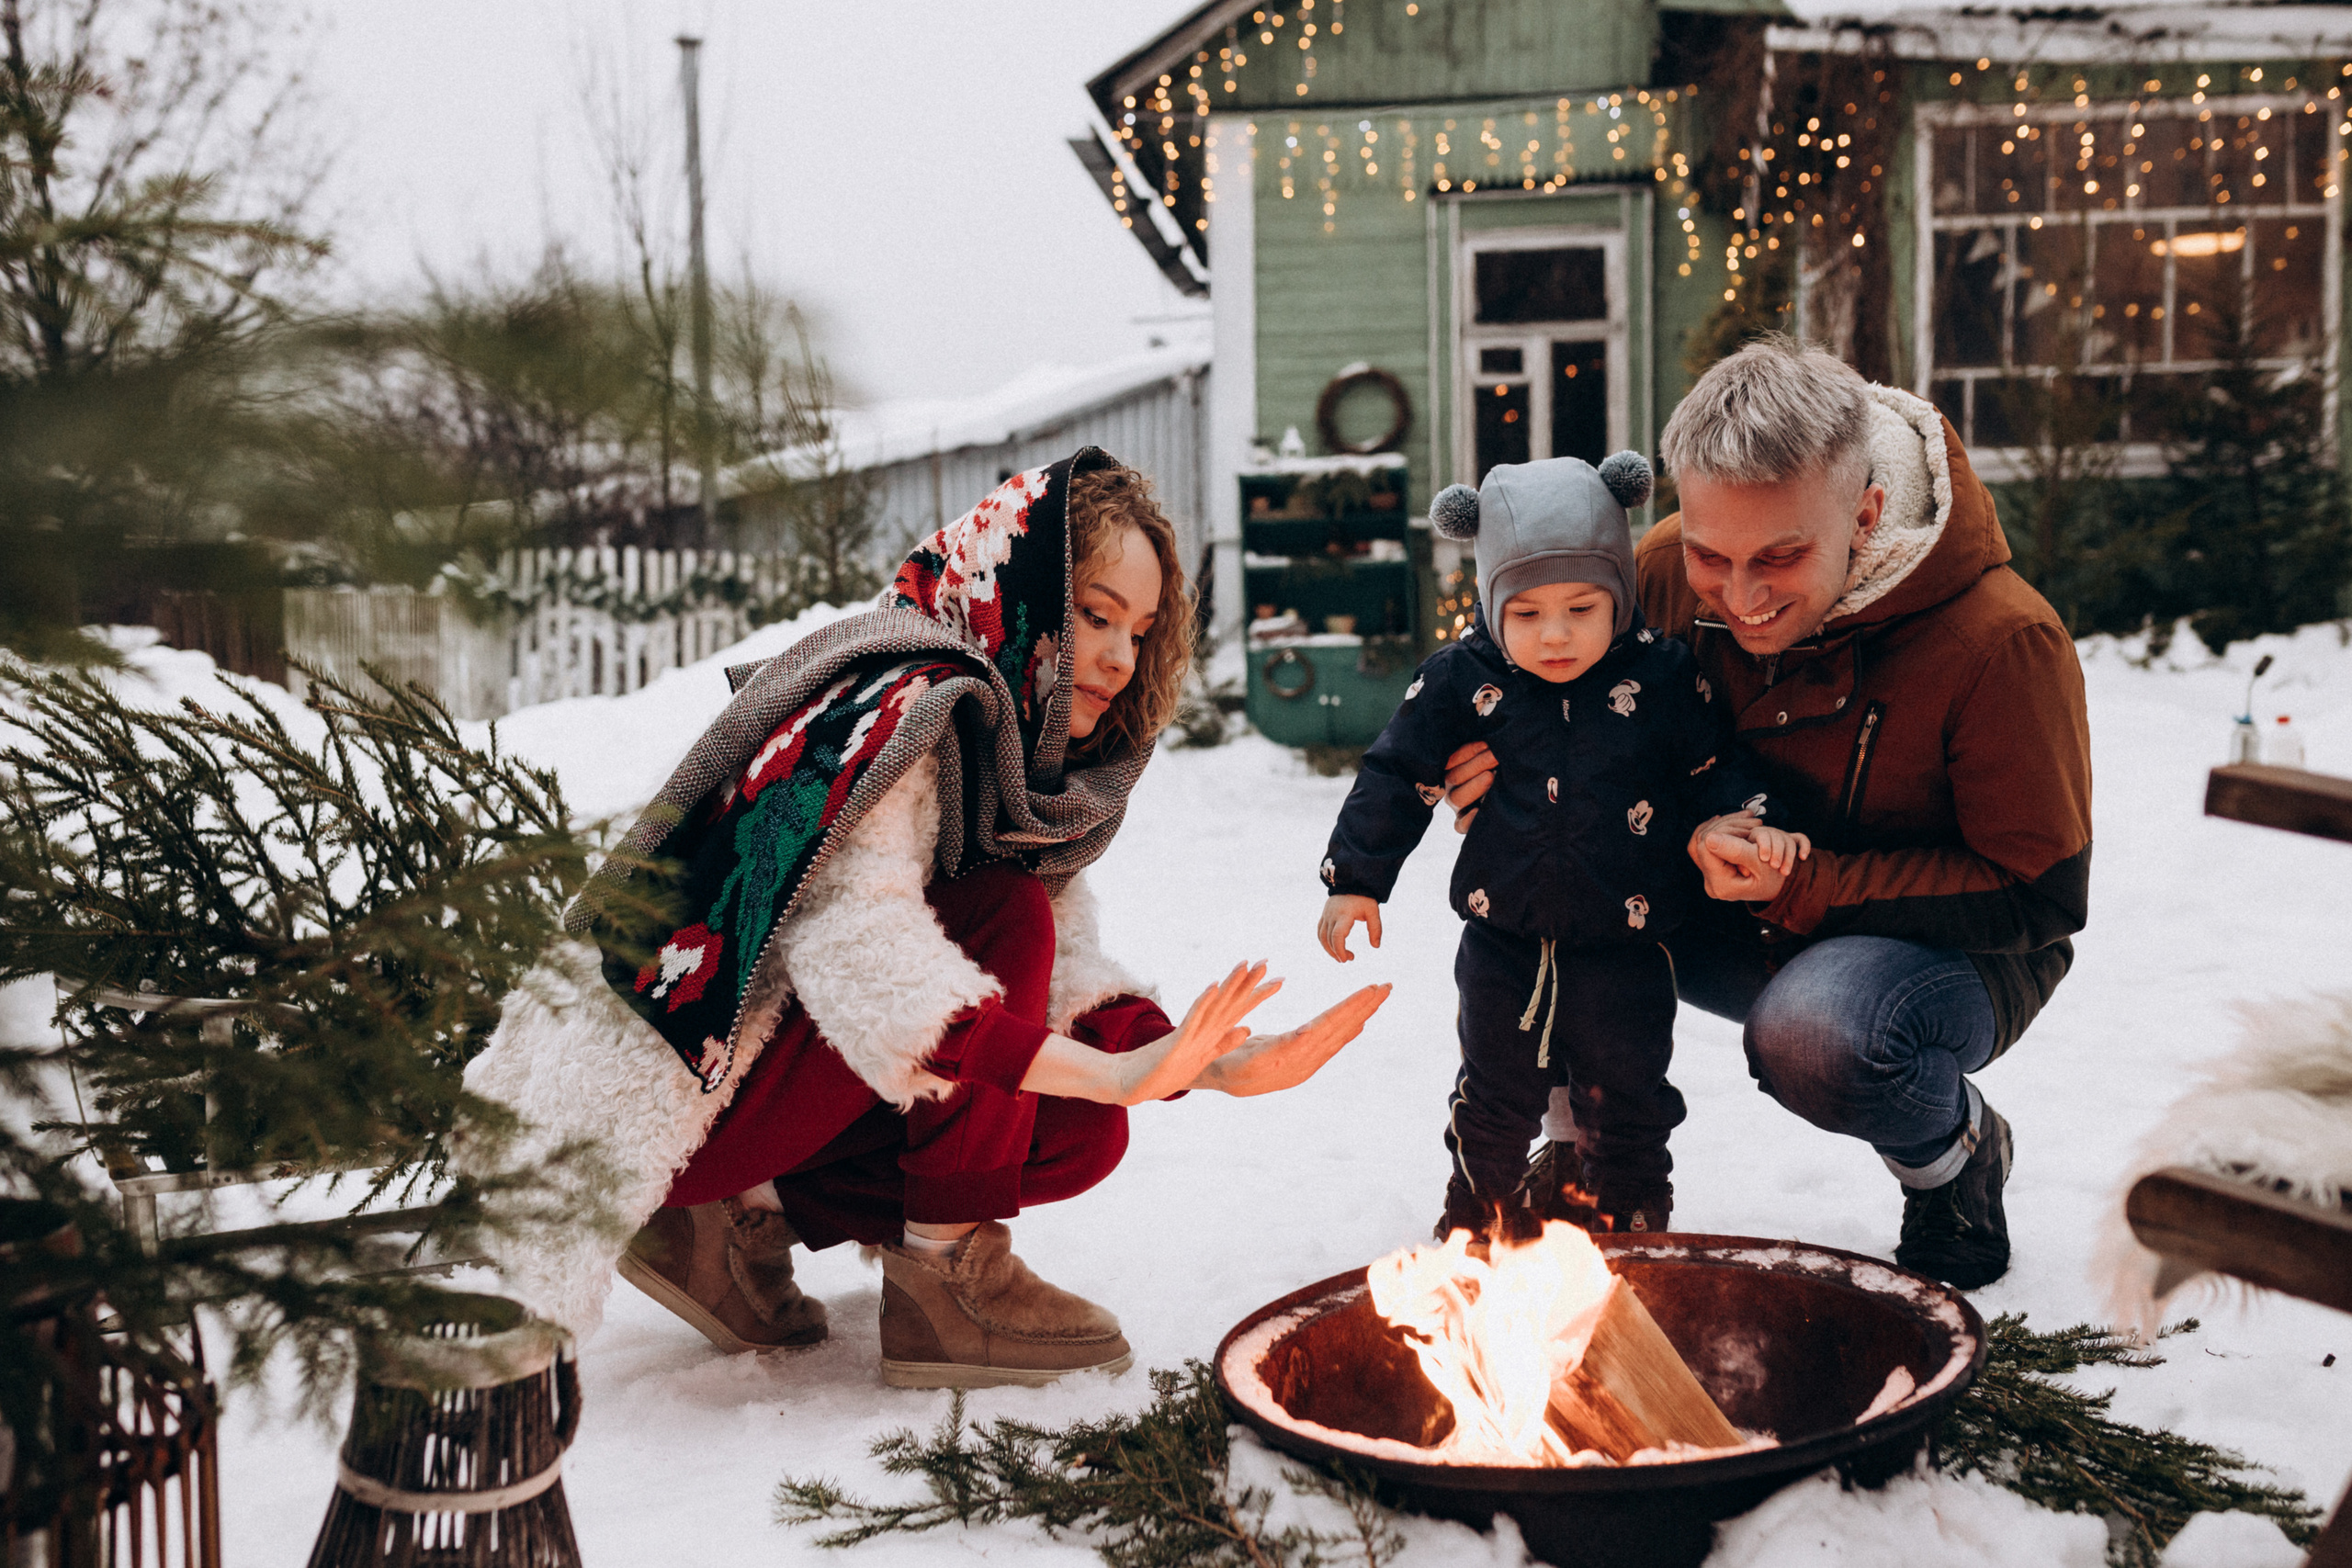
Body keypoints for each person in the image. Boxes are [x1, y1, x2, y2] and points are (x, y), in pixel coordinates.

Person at [466, 449, 1388, 1386]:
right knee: (1001, 922)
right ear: (1021, 592)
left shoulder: (1003, 748)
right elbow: (861, 950)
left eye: (1141, 632)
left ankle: (729, 1220)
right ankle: (945, 1276)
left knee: (1075, 1129)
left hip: (744, 1097)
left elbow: (1062, 959)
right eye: (1095, 615)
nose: (1118, 656)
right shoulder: (897, 704)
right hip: (650, 1098)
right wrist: (1110, 1073)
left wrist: (1209, 1066)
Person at [1443, 339, 2091, 1290]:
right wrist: (1490, 759)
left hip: (1949, 957)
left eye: (1780, 558)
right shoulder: (1660, 577)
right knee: (1528, 896)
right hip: (1722, 908)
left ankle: (1951, 1159)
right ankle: (1580, 1150)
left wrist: (1811, 884)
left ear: (1865, 516)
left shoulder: (2002, 643)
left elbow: (2036, 896)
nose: (1740, 598)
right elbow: (1528, 670)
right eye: (1712, 555)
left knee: (1818, 1031)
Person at [1314, 452, 1806, 1243]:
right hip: (1502, 941)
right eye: (1528, 612)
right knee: (1494, 1095)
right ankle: (1475, 1229)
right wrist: (1357, 878)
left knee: (1629, 1098)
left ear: (1619, 593)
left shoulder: (1664, 677)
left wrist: (1752, 818)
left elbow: (1715, 766)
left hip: (1627, 944)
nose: (1555, 635)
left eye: (1582, 607)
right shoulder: (1462, 678)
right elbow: (1396, 769)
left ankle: (1631, 1231)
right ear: (1491, 603)